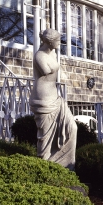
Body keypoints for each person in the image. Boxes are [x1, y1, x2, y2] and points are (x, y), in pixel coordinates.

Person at [30, 29, 77, 169]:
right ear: (50, 41)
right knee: (45, 140)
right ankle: (45, 169)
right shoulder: (39, 55)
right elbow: (46, 70)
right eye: (57, 40)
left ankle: (66, 165)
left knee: (72, 127)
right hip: (42, 99)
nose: (59, 43)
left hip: (55, 97)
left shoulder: (53, 53)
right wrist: (56, 64)